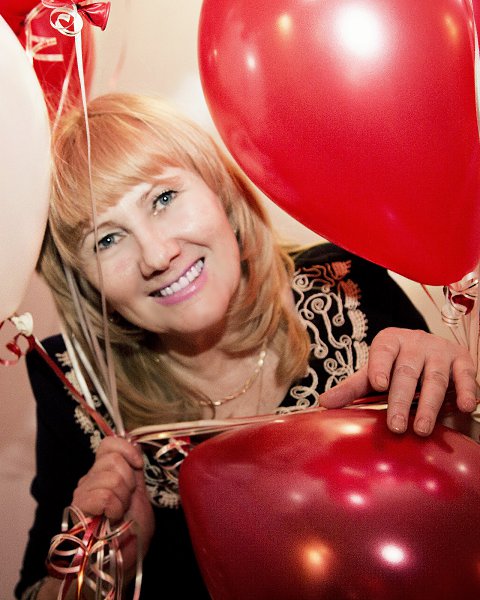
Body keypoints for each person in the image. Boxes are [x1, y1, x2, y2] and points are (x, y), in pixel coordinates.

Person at [16, 93, 478, 600]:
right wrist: (98, 572)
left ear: (219, 190)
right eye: (106, 240)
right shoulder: (74, 387)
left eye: (163, 199)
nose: (158, 255)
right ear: (83, 284)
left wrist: (458, 419)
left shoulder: (349, 285)